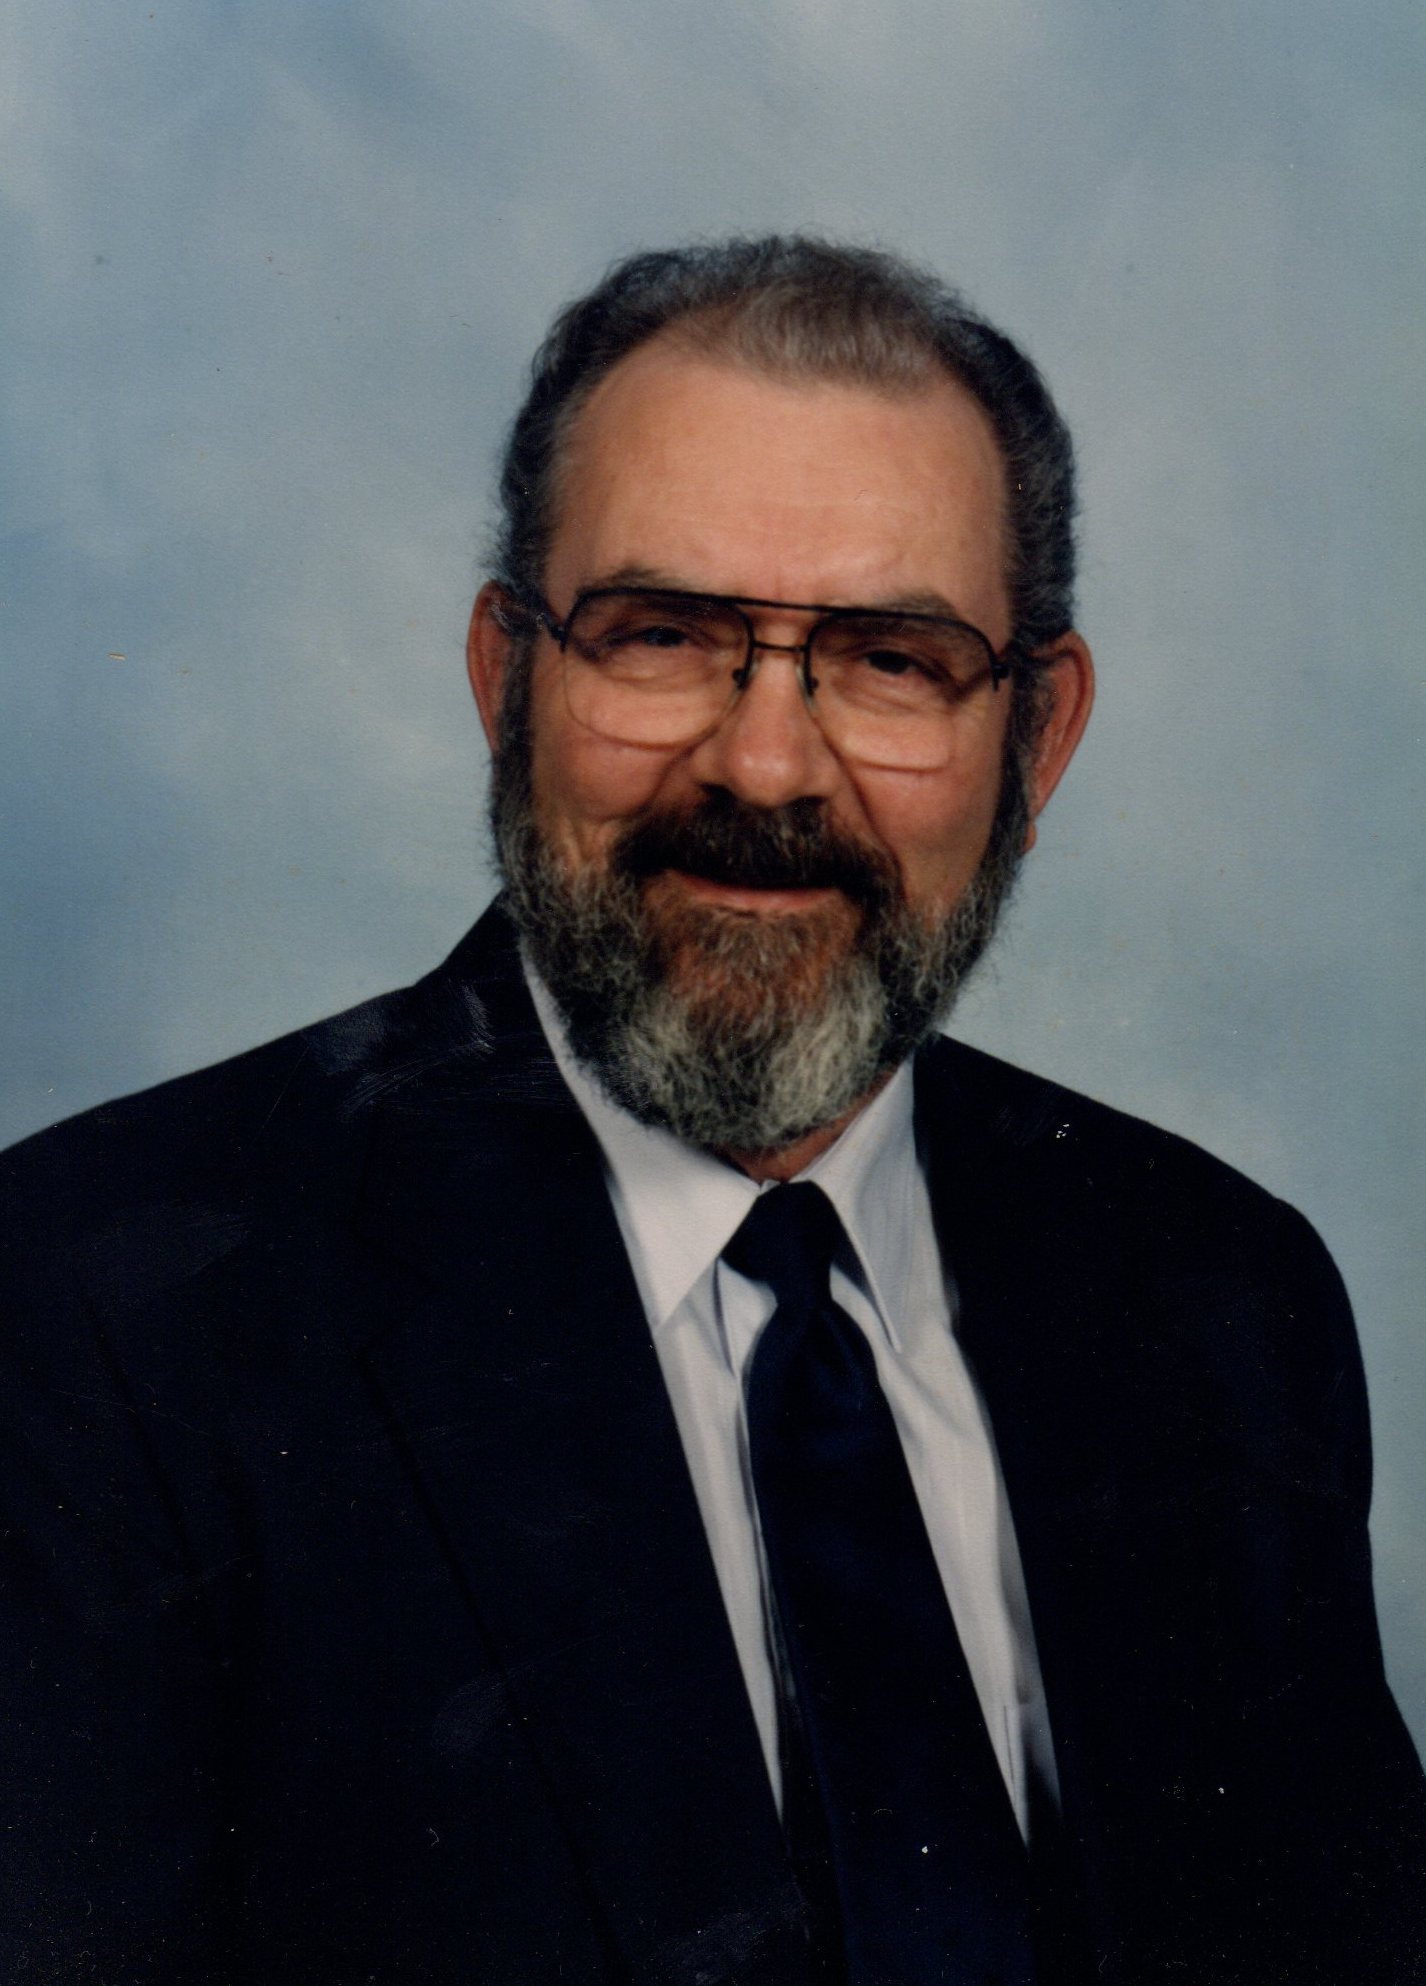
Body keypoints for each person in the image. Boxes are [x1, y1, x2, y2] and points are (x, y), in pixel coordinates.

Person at [1, 237, 1421, 1986]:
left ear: (1037, 736)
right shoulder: (95, 1316)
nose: (764, 766)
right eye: (661, 636)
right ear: (503, 680)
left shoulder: (1223, 1296)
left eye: (891, 659)